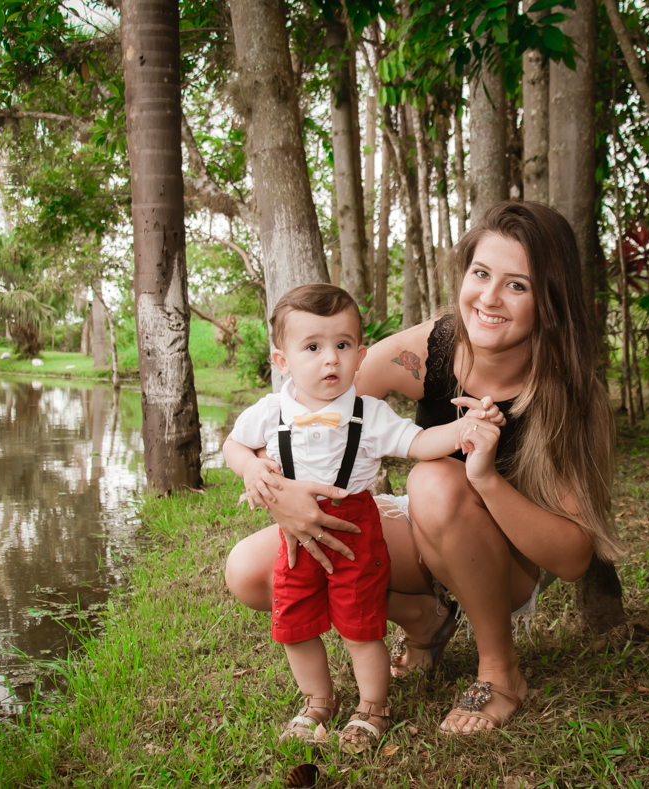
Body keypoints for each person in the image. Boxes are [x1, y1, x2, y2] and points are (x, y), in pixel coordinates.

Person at [225, 201, 624, 734]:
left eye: (518, 286)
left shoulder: (566, 392)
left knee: (433, 480)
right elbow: (308, 409)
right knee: (252, 573)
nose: (489, 297)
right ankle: (424, 619)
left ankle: (501, 672)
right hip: (421, 532)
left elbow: (574, 559)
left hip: (506, 563)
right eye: (481, 274)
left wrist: (484, 476)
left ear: (549, 300)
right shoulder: (430, 349)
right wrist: (281, 494)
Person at [222, 283, 502, 750]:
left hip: (354, 528)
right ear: (282, 361)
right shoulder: (271, 412)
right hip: (294, 536)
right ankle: (316, 700)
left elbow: (417, 443)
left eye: (342, 345)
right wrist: (251, 466)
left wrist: (462, 429)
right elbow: (233, 444)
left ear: (360, 355)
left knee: (360, 621)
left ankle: (373, 705)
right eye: (312, 347)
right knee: (295, 621)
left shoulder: (367, 414)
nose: (330, 359)